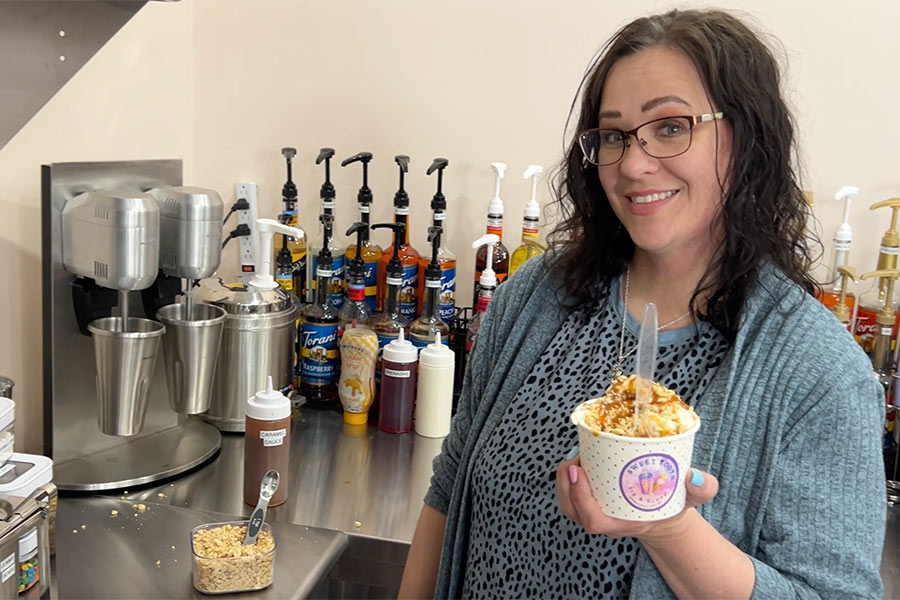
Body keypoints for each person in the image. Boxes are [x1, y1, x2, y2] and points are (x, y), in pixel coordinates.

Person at [399, 8, 886, 599]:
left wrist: (668, 526)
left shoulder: (819, 373)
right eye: (613, 135)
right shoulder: (532, 301)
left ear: (748, 135)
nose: (632, 164)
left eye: (672, 126)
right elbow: (449, 492)